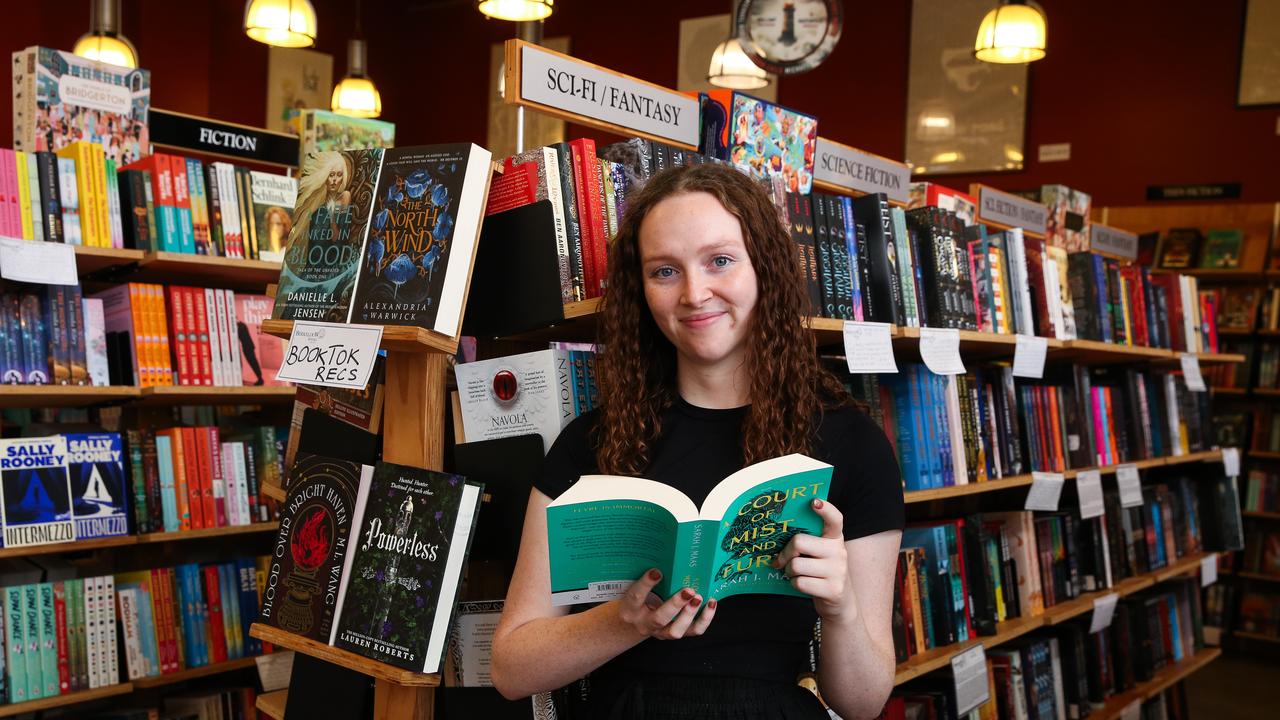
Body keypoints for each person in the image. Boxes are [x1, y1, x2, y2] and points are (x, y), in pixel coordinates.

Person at [491, 163, 904, 719]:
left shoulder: (852, 443)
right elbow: (512, 670)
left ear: (765, 269)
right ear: (641, 291)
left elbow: (863, 703)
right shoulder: (590, 444)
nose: (694, 292)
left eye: (720, 261)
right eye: (665, 271)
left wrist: (840, 607)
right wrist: (623, 622)